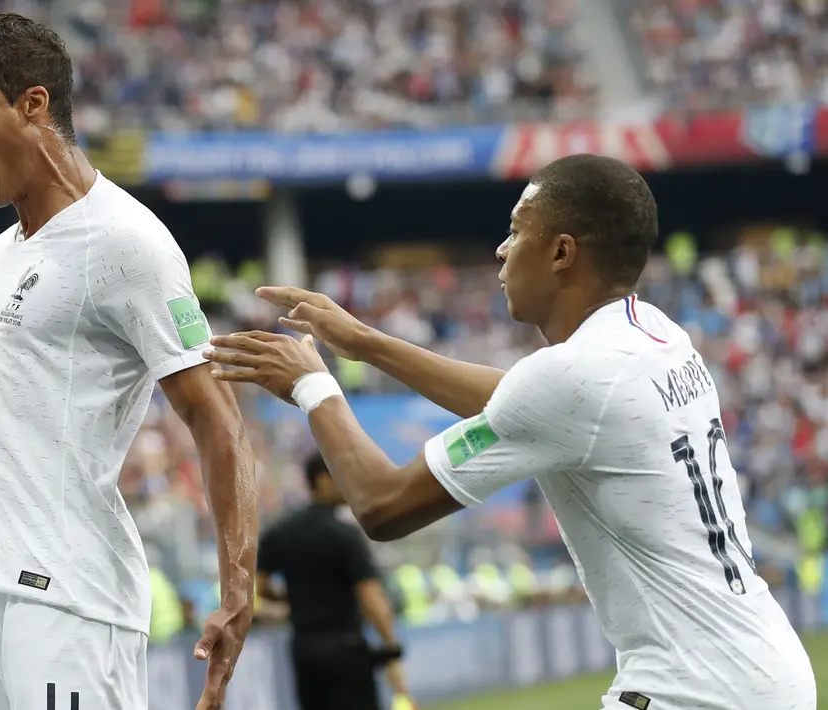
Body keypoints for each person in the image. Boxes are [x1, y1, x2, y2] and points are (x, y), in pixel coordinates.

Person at [204, 154, 817, 710]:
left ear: (562, 253)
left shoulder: (571, 379)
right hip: (770, 668)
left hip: (695, 691)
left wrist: (314, 386)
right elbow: (521, 397)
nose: (500, 250)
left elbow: (382, 505)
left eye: (517, 229)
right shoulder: (655, 334)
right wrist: (365, 344)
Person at [0, 13, 258, 710]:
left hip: (66, 599)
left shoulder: (124, 241)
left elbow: (215, 418)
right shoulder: (2, 252)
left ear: (33, 105)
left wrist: (237, 587)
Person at [258, 452, 413, 710]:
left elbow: (260, 586)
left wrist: (295, 597)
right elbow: (370, 596)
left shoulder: (280, 533)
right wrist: (391, 649)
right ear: (322, 481)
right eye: (340, 476)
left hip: (303, 649)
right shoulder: (346, 535)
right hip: (346, 648)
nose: (348, 484)